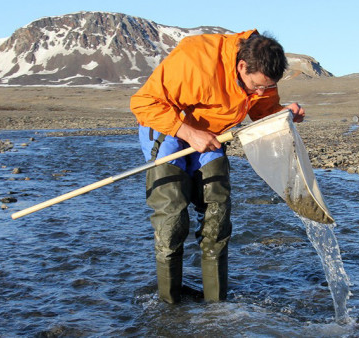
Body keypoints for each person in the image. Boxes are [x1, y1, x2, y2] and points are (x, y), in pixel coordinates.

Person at [130, 29, 305, 304]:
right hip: (167, 128)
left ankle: (216, 307)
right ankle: (169, 306)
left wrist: (283, 114)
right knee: (173, 218)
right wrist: (189, 133)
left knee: (218, 217)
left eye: (266, 87)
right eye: (256, 86)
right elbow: (143, 103)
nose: (260, 91)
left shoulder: (263, 74)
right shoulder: (196, 59)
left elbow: (261, 111)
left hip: (211, 137)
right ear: (242, 66)